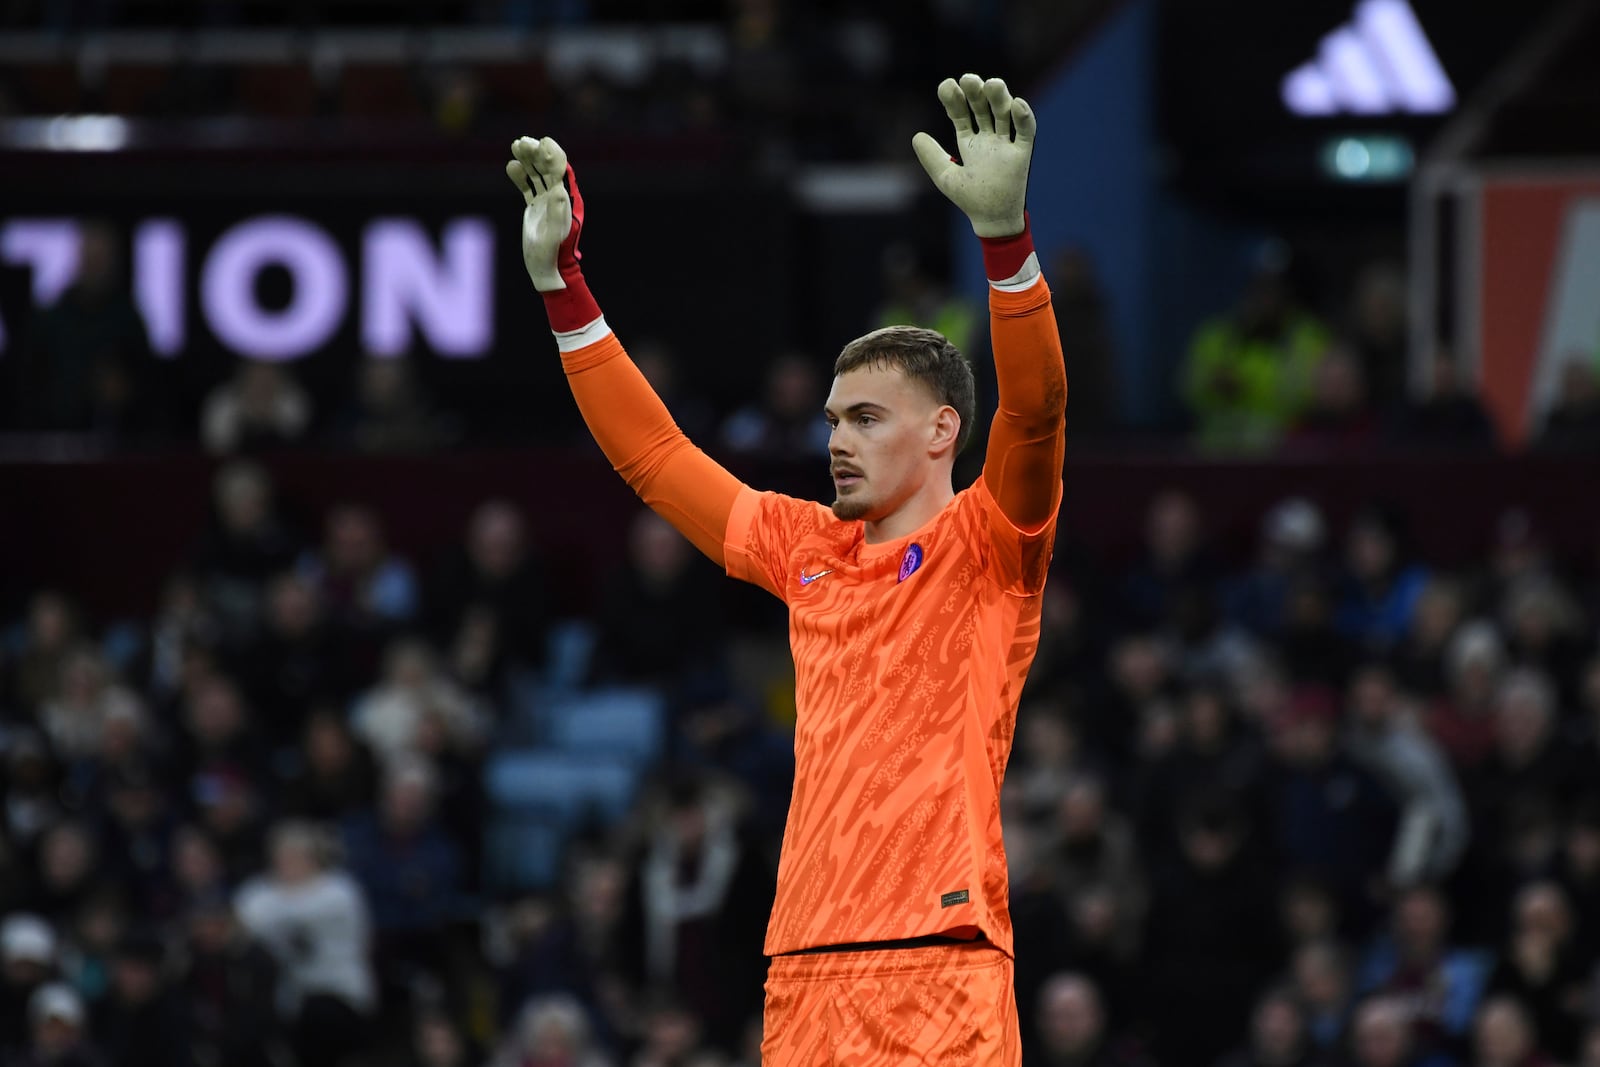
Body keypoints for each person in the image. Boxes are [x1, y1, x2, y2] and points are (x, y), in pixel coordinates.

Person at [505, 70, 1065, 1065]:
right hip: (801, 968)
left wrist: (1006, 248)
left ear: (942, 430)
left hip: (937, 963)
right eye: (831, 420)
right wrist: (564, 289)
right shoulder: (810, 548)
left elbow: (1035, 414)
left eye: (864, 418)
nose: (836, 441)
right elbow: (657, 458)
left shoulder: (991, 541)